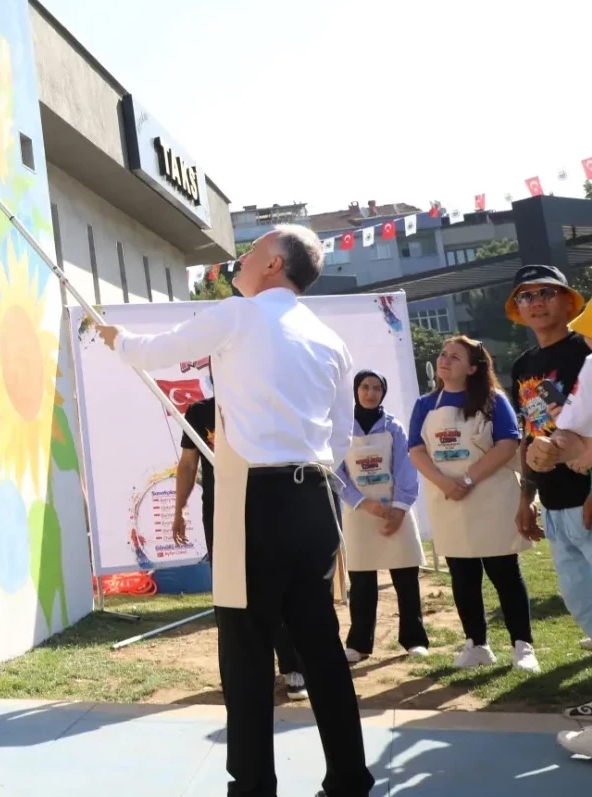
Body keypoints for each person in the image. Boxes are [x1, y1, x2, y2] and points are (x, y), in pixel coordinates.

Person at [99, 224, 371, 797]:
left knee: (245, 646)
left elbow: (155, 350)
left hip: (256, 500)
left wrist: (116, 339)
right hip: (316, 498)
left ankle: (251, 786)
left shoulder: (239, 314)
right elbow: (342, 435)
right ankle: (349, 779)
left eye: (250, 252)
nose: (238, 261)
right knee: (320, 642)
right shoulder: (329, 338)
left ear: (274, 264)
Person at [406, 335, 536, 671]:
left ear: (473, 368)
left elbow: (507, 444)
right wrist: (444, 483)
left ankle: (523, 646)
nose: (444, 360)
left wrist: (466, 480)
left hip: (491, 496)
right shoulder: (425, 404)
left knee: (504, 572)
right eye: (443, 354)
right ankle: (476, 644)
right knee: (462, 575)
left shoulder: (493, 400)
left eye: (455, 357)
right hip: (448, 499)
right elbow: (416, 450)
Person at [175, 393, 309, 701]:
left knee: (274, 584)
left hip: (265, 507)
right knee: (229, 591)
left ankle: (293, 668)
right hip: (220, 512)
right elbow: (188, 464)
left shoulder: (261, 398)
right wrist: (178, 509)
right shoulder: (199, 411)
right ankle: (242, 673)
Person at [509, 266, 592, 656]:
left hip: (587, 495)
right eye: (525, 296)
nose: (536, 302)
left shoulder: (586, 350)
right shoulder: (523, 365)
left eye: (546, 292)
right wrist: (526, 499)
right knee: (579, 601)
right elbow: (529, 433)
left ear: (568, 299)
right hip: (554, 505)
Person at [333, 370, 429, 663]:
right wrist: (362, 502)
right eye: (365, 387)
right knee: (362, 583)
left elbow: (406, 468)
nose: (370, 393)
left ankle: (414, 639)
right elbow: (336, 472)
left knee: (406, 578)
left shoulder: (394, 427)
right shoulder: (341, 428)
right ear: (355, 390)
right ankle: (359, 644)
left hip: (395, 510)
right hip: (359, 513)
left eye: (377, 388)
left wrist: (398, 509)